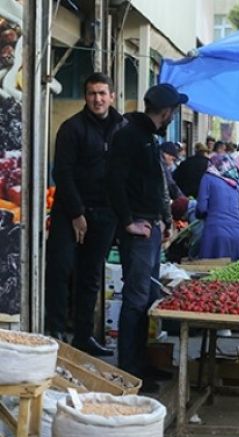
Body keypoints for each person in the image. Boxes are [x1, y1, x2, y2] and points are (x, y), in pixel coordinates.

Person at [107, 83, 187, 393]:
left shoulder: (147, 138)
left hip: (150, 226)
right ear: (167, 113)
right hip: (138, 229)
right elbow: (114, 181)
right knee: (136, 299)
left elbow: (155, 186)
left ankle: (140, 361)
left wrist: (165, 220)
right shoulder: (130, 136)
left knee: (146, 299)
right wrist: (128, 222)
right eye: (173, 112)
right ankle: (129, 369)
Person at [45, 72, 125, 356]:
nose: (98, 99)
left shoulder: (122, 128)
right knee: (61, 268)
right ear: (85, 97)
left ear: (112, 96)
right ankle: (53, 331)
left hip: (105, 214)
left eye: (103, 93)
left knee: (91, 275)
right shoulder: (72, 128)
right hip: (70, 210)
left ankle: (83, 335)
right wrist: (77, 213)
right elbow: (62, 174)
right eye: (92, 93)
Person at [195, 153, 239, 261]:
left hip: (215, 234)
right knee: (235, 275)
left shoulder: (208, 177)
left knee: (213, 274)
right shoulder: (236, 182)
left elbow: (201, 208)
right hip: (238, 236)